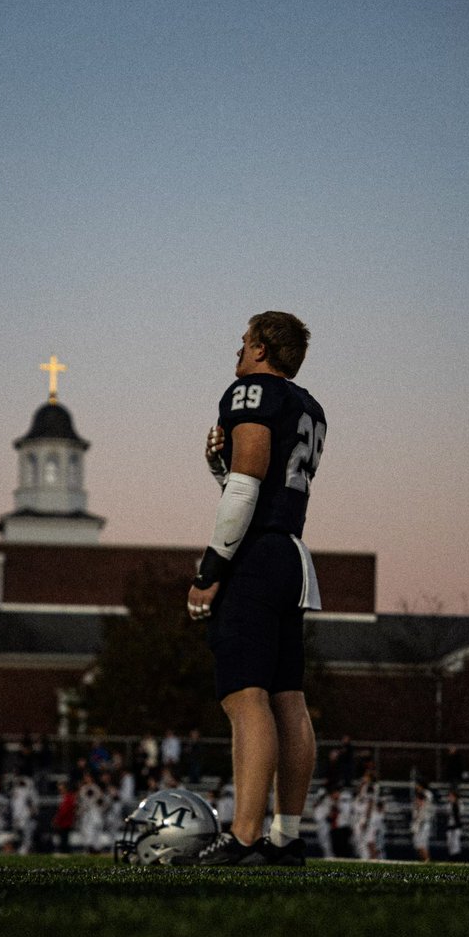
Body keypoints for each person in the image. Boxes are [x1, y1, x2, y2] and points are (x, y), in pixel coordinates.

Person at [183, 313, 326, 866]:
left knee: (246, 698)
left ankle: (243, 836)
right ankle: (286, 837)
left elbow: (246, 485)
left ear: (263, 349)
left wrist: (210, 571)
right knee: (289, 697)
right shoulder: (308, 405)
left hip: (257, 555)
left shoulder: (249, 392)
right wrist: (221, 469)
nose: (238, 350)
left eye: (244, 341)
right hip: (292, 553)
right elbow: (256, 481)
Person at [411, 780, 434, 863]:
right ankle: (424, 862)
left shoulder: (427, 793)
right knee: (417, 845)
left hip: (424, 822)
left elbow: (423, 803)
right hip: (418, 821)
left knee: (422, 845)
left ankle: (427, 863)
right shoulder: (419, 793)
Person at [445, 789, 463, 860]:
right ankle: (451, 859)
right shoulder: (449, 805)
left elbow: (458, 816)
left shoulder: (459, 804)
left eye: (451, 796)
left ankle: (456, 859)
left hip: (456, 827)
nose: (449, 798)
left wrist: (455, 805)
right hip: (450, 826)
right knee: (449, 844)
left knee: (456, 845)